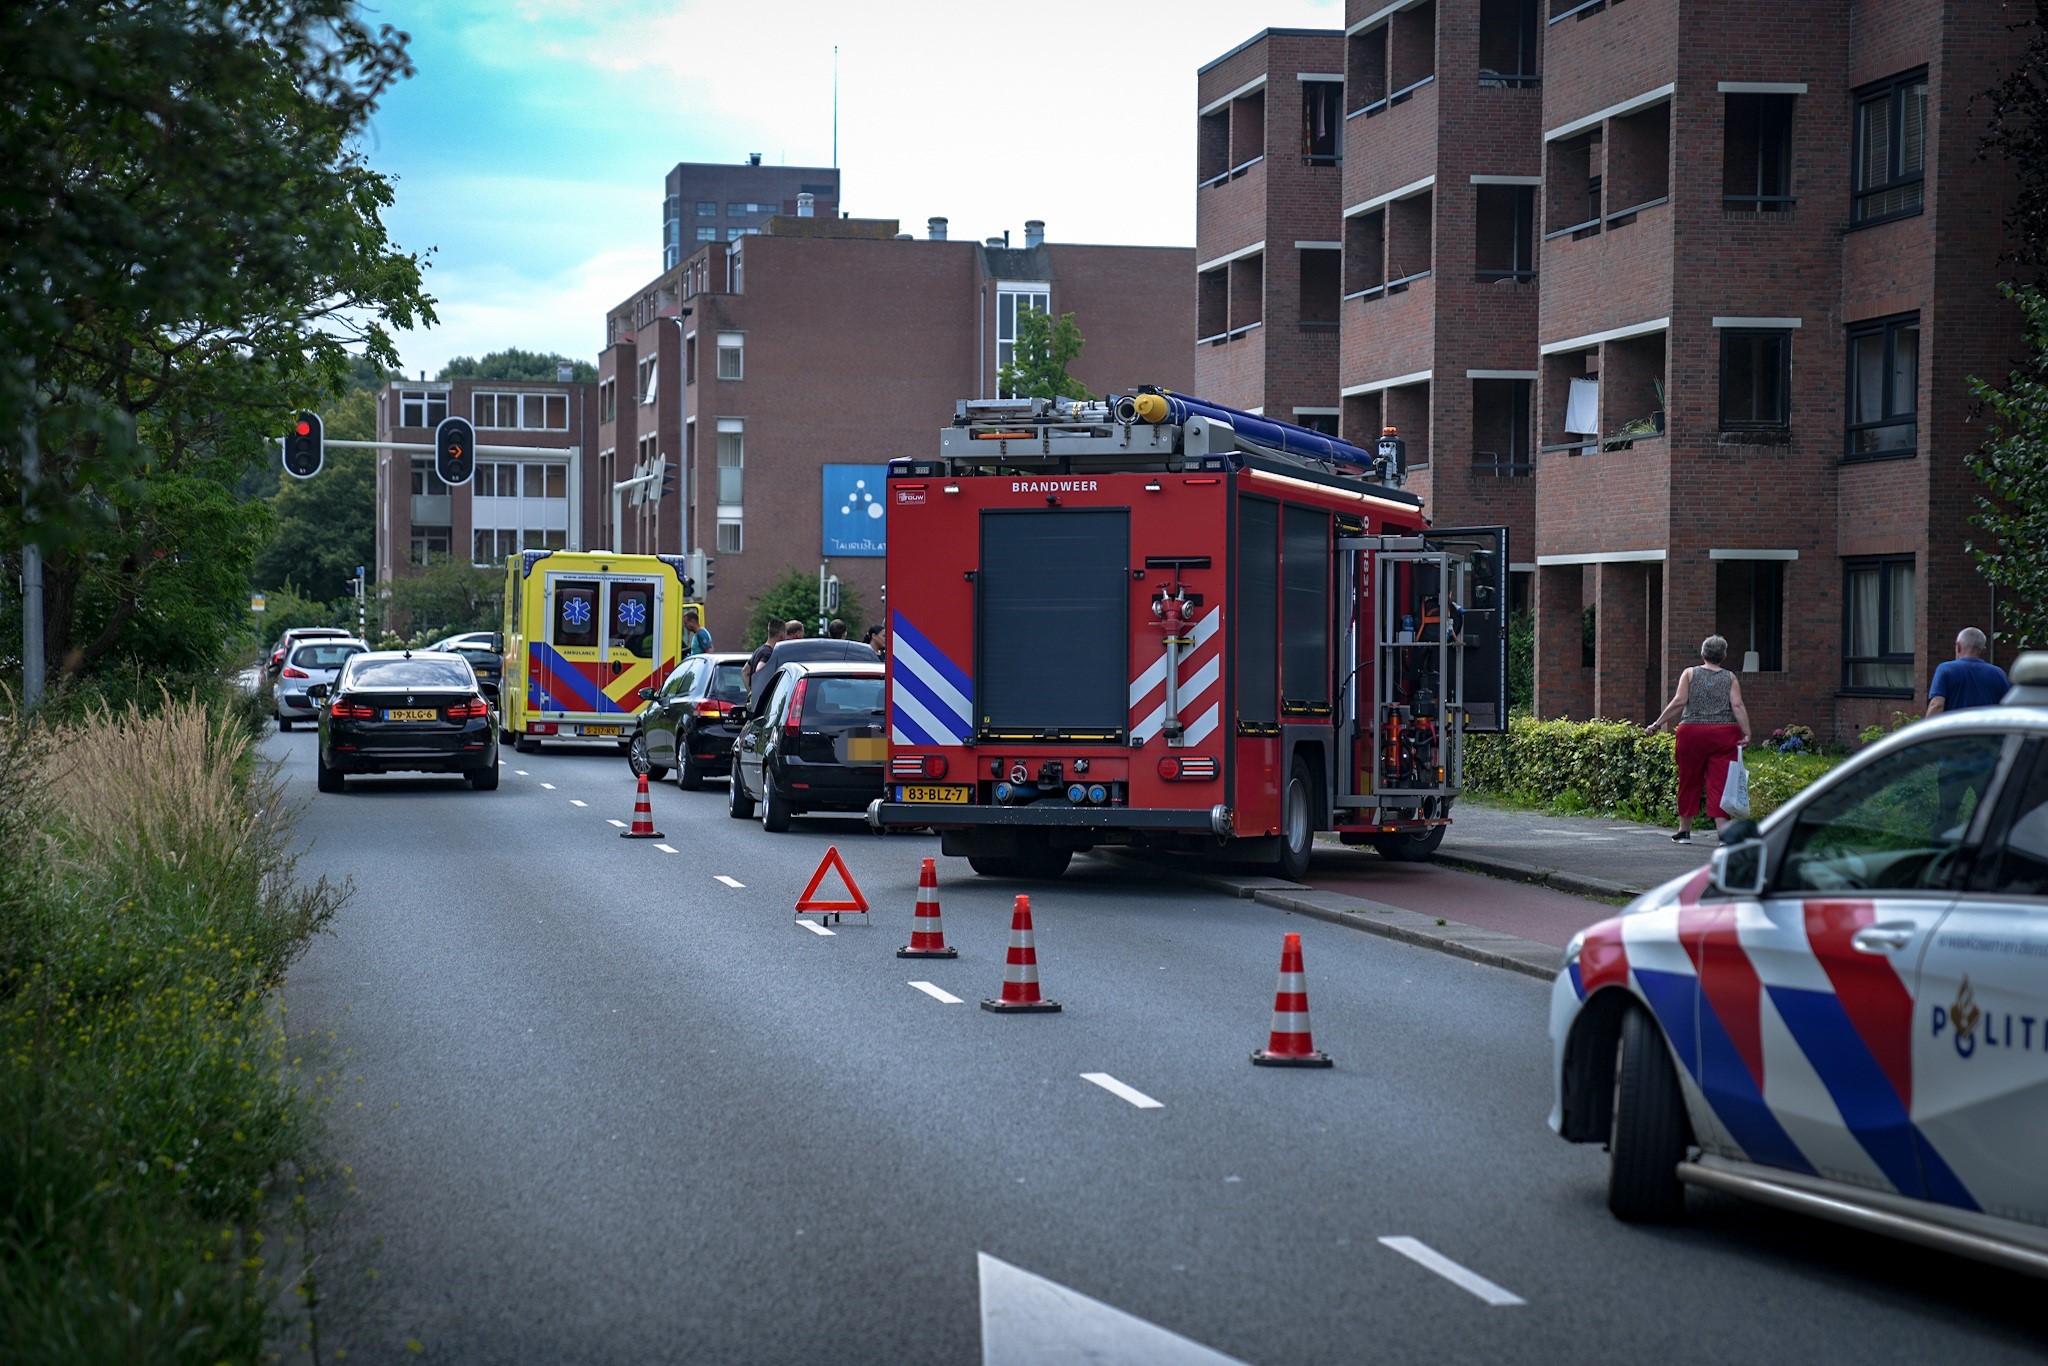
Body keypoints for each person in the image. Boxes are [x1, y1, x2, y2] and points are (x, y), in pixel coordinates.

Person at [1647, 635, 1752, 843]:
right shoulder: (1730, 677)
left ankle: (1684, 830)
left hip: (1691, 733)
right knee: (1720, 782)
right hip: (1724, 734)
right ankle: (1723, 834)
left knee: (1689, 779)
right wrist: (1747, 732)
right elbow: (1737, 706)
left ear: (1703, 653)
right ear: (1724, 656)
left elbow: (1679, 702)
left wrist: (1657, 724)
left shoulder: (1689, 673)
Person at [1926, 627, 2008, 715]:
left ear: (1958, 647)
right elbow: (2009, 708)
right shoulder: (1999, 674)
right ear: (1983, 650)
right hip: (1987, 728)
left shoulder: (1945, 669)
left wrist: (1926, 727)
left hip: (1956, 727)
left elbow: (1937, 705)